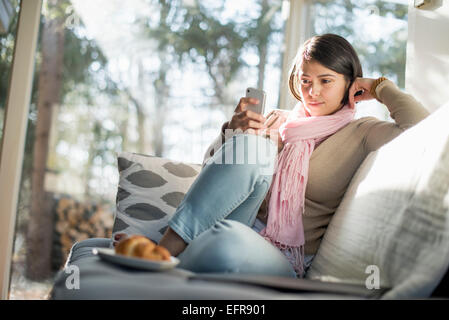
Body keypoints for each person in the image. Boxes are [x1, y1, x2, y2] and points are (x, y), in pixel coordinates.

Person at [115, 33, 429, 278]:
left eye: (326, 80)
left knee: (228, 241)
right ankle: (165, 251)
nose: (313, 92)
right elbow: (211, 172)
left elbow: (424, 130)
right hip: (235, 222)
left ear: (350, 83)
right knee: (254, 146)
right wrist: (231, 133)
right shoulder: (278, 121)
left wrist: (380, 86)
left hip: (281, 255)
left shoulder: (364, 132)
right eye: (305, 80)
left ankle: (168, 257)